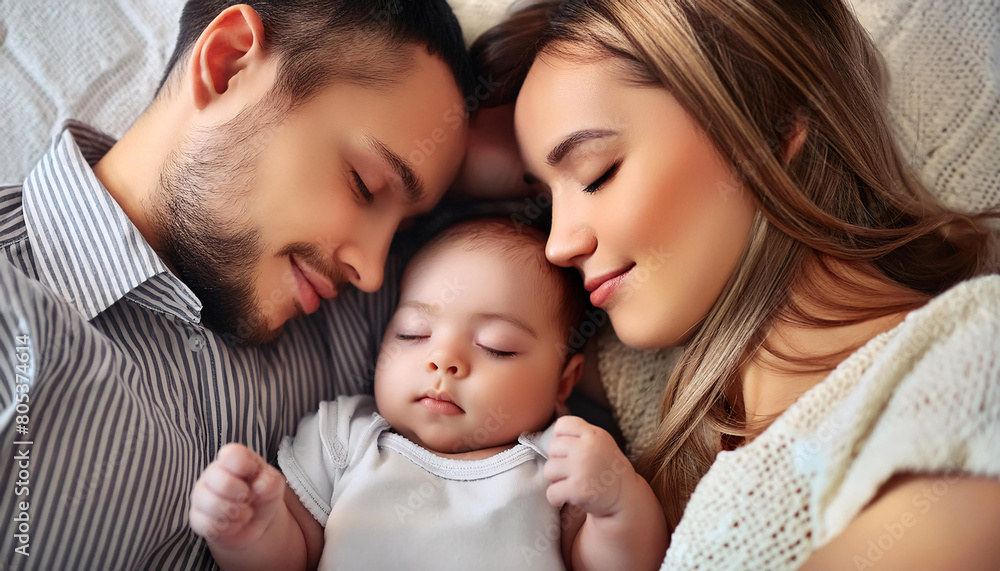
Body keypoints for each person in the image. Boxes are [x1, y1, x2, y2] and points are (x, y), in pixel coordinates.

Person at [468, 0, 1000, 568]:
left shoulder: (969, 354)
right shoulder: (675, 424)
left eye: (597, 173)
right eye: (543, 200)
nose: (557, 244)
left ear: (772, 132)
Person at [0, 1, 475, 567]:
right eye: (365, 186)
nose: (370, 270)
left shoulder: (393, 328)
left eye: (402, 228)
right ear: (227, 65)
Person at [188, 218, 668, 570]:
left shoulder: (556, 466)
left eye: (495, 347)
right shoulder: (347, 439)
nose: (443, 361)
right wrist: (249, 529)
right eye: (414, 334)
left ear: (564, 382)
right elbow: (292, 556)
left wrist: (617, 502)